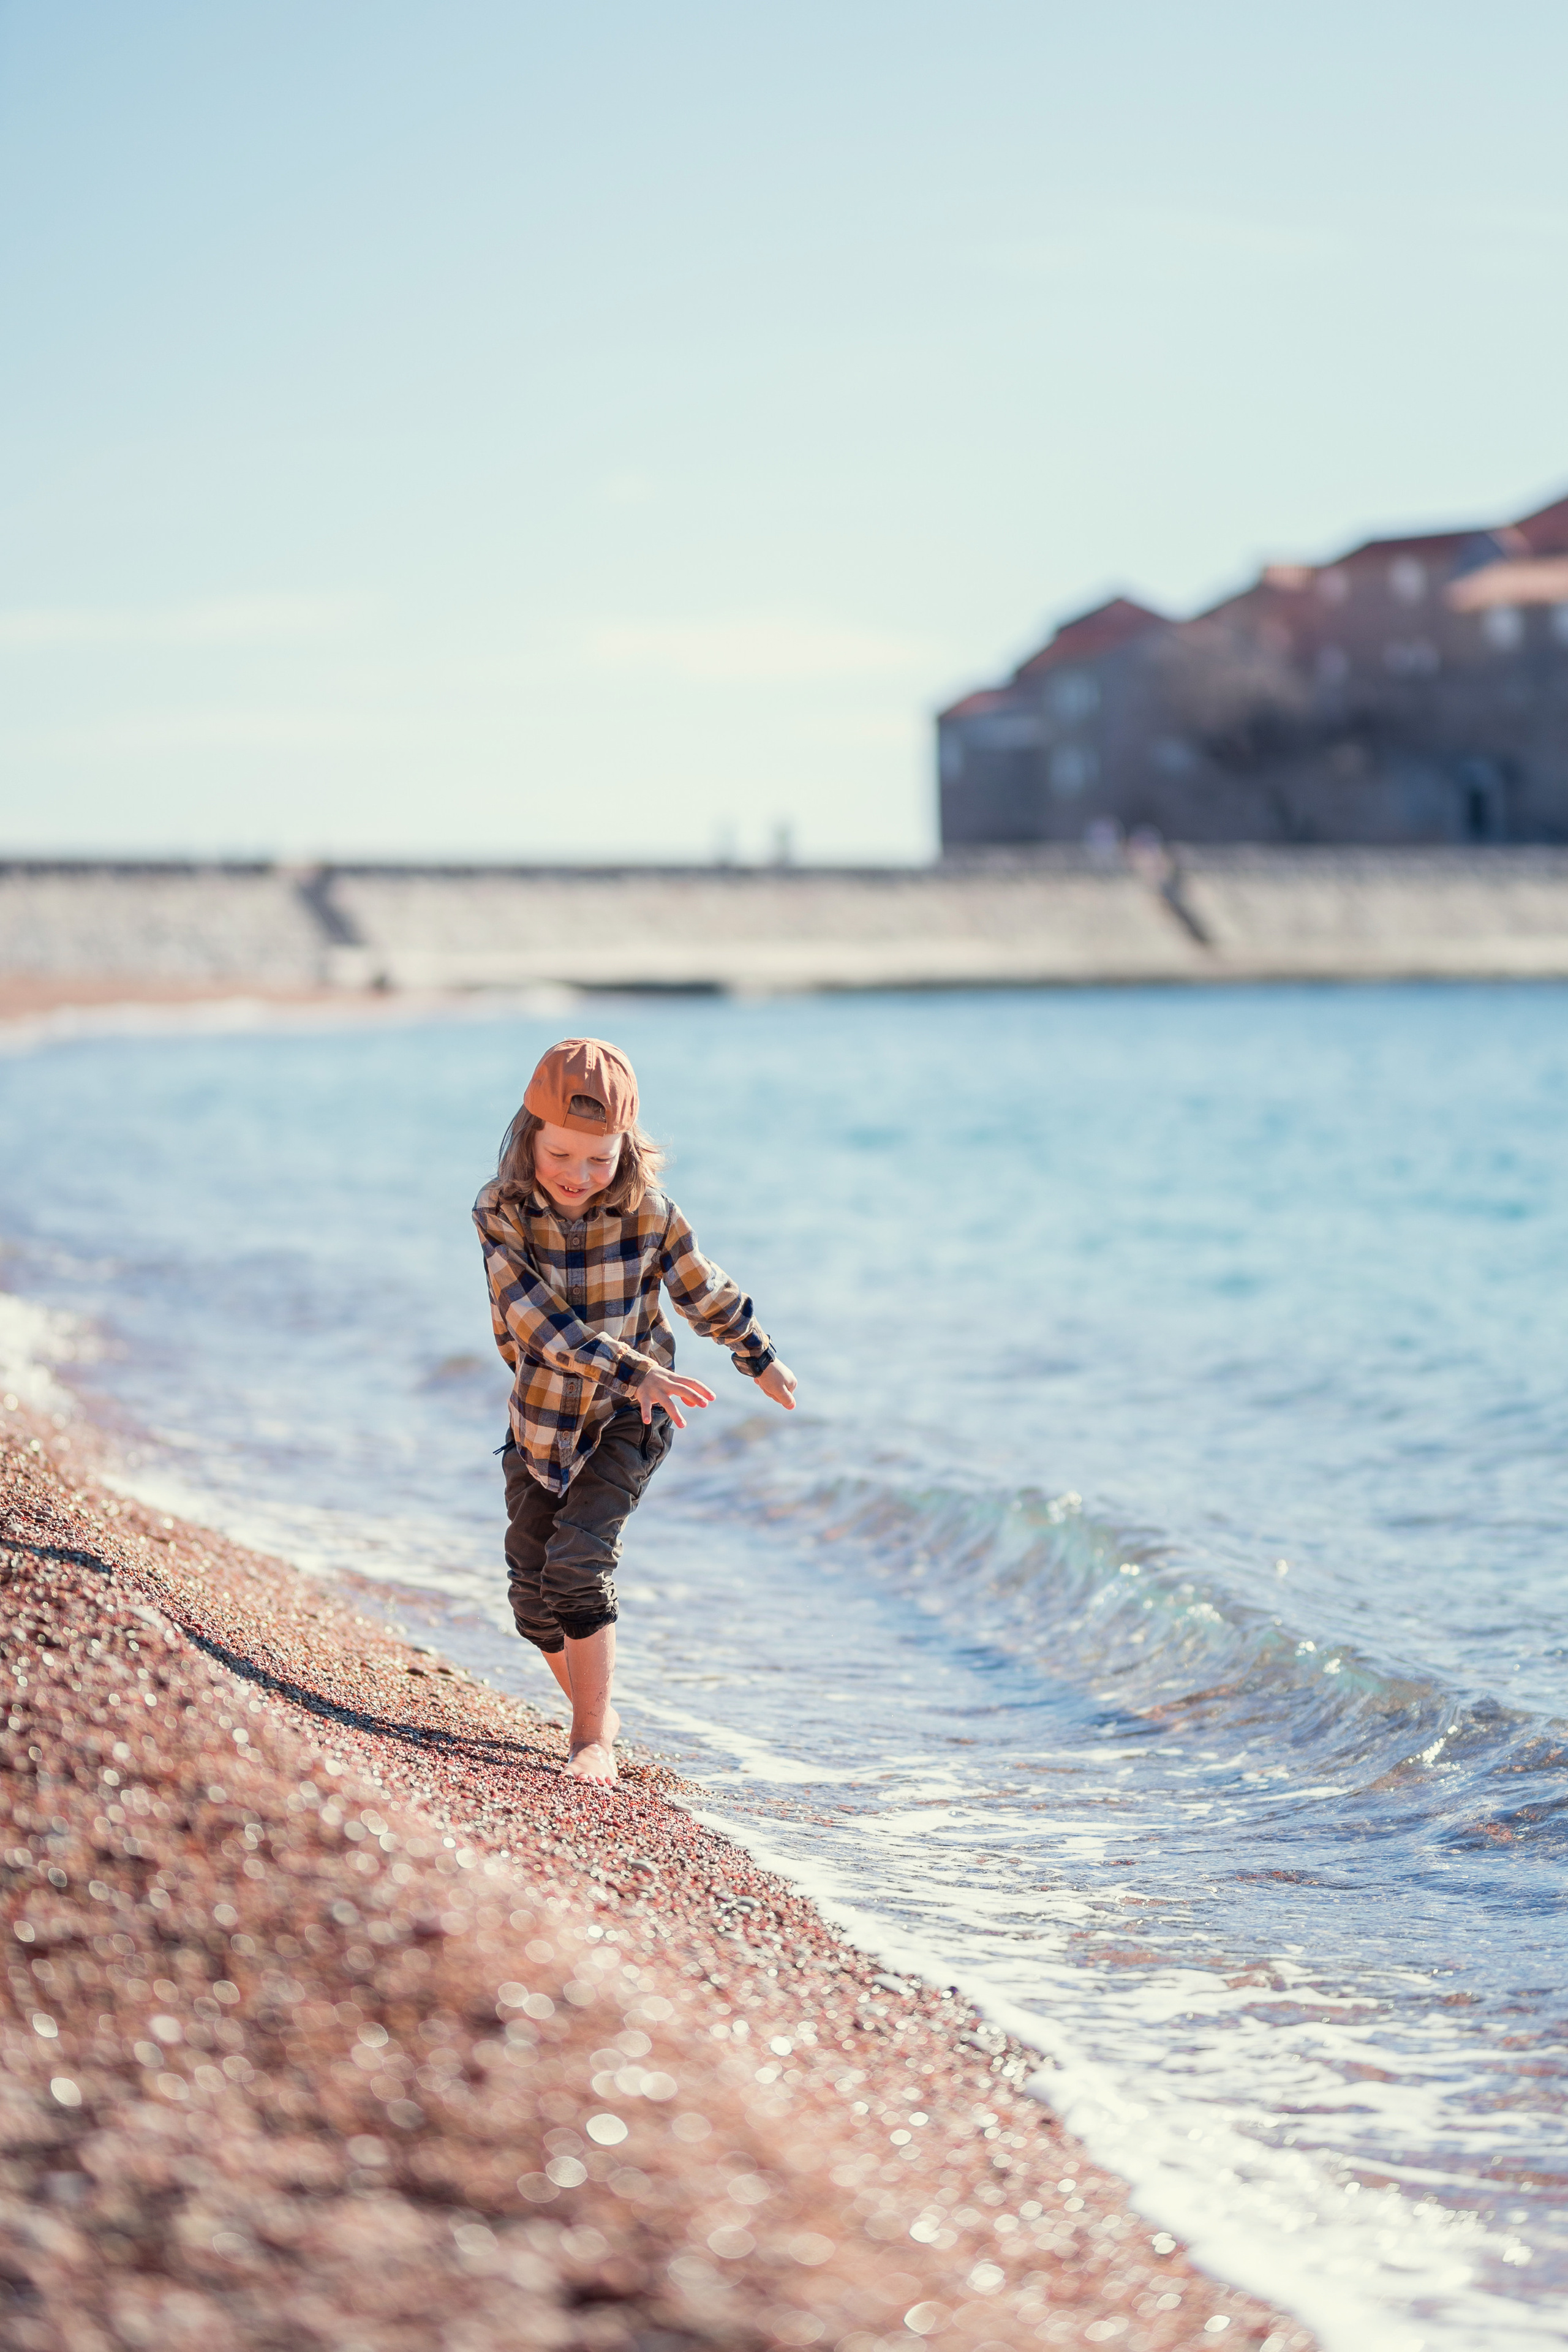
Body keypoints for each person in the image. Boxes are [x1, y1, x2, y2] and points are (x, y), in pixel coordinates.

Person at [473, 1036, 797, 1784]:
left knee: (578, 1567)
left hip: (635, 1414)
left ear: (626, 1146)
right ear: (528, 1138)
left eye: (600, 1158)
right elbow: (534, 1322)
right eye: (560, 1154)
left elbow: (702, 1291)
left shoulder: (651, 1214)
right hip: (542, 1417)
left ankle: (591, 1740)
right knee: (532, 1597)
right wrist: (634, 1364)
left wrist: (757, 1355)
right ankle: (599, 1710)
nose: (579, 1174)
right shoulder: (500, 1211)